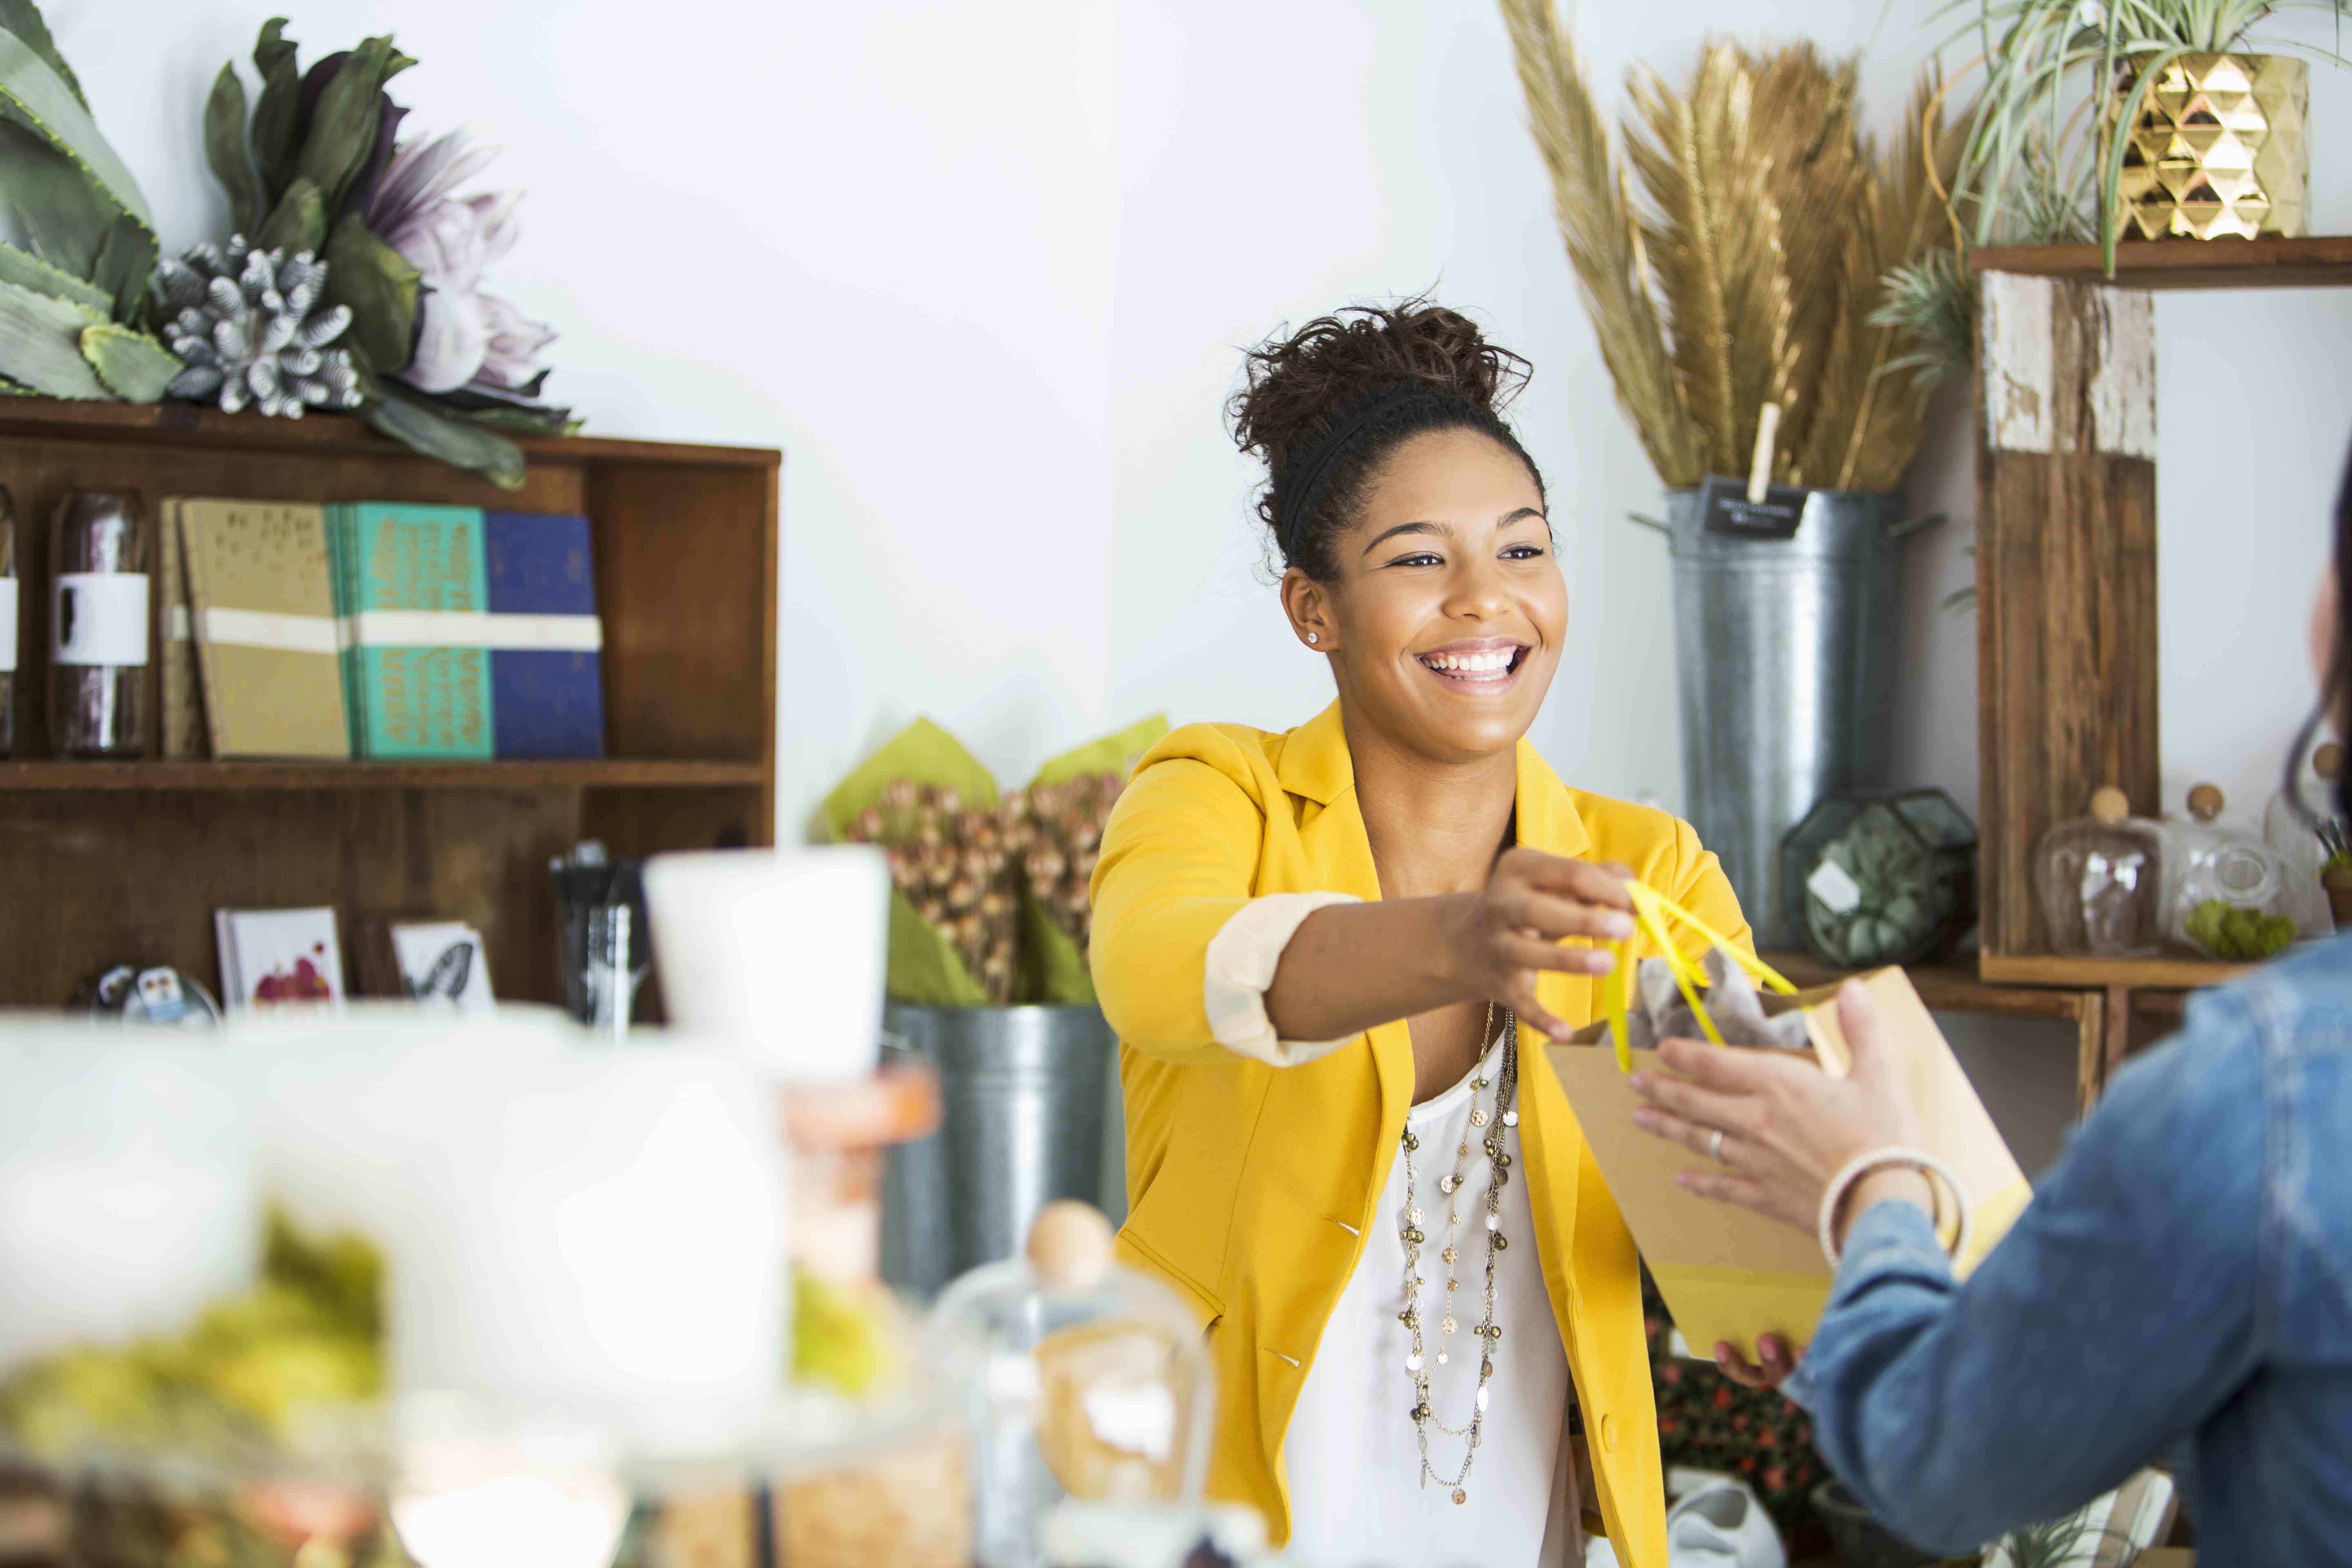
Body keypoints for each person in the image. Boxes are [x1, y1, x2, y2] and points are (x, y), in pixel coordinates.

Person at [1089, 301, 1749, 1568]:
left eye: (1523, 550)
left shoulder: (1648, 870)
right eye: (1415, 561)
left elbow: (1738, 1222)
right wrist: (1459, 944)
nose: (1486, 603)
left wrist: (1820, 1214)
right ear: (1312, 609)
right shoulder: (1215, 790)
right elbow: (1158, 971)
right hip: (1211, 1526)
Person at [1626, 446, 2352, 1564]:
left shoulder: (2259, 1095)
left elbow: (1945, 1466)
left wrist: (1872, 1185)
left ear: (2331, 620)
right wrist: (1851, 1309)